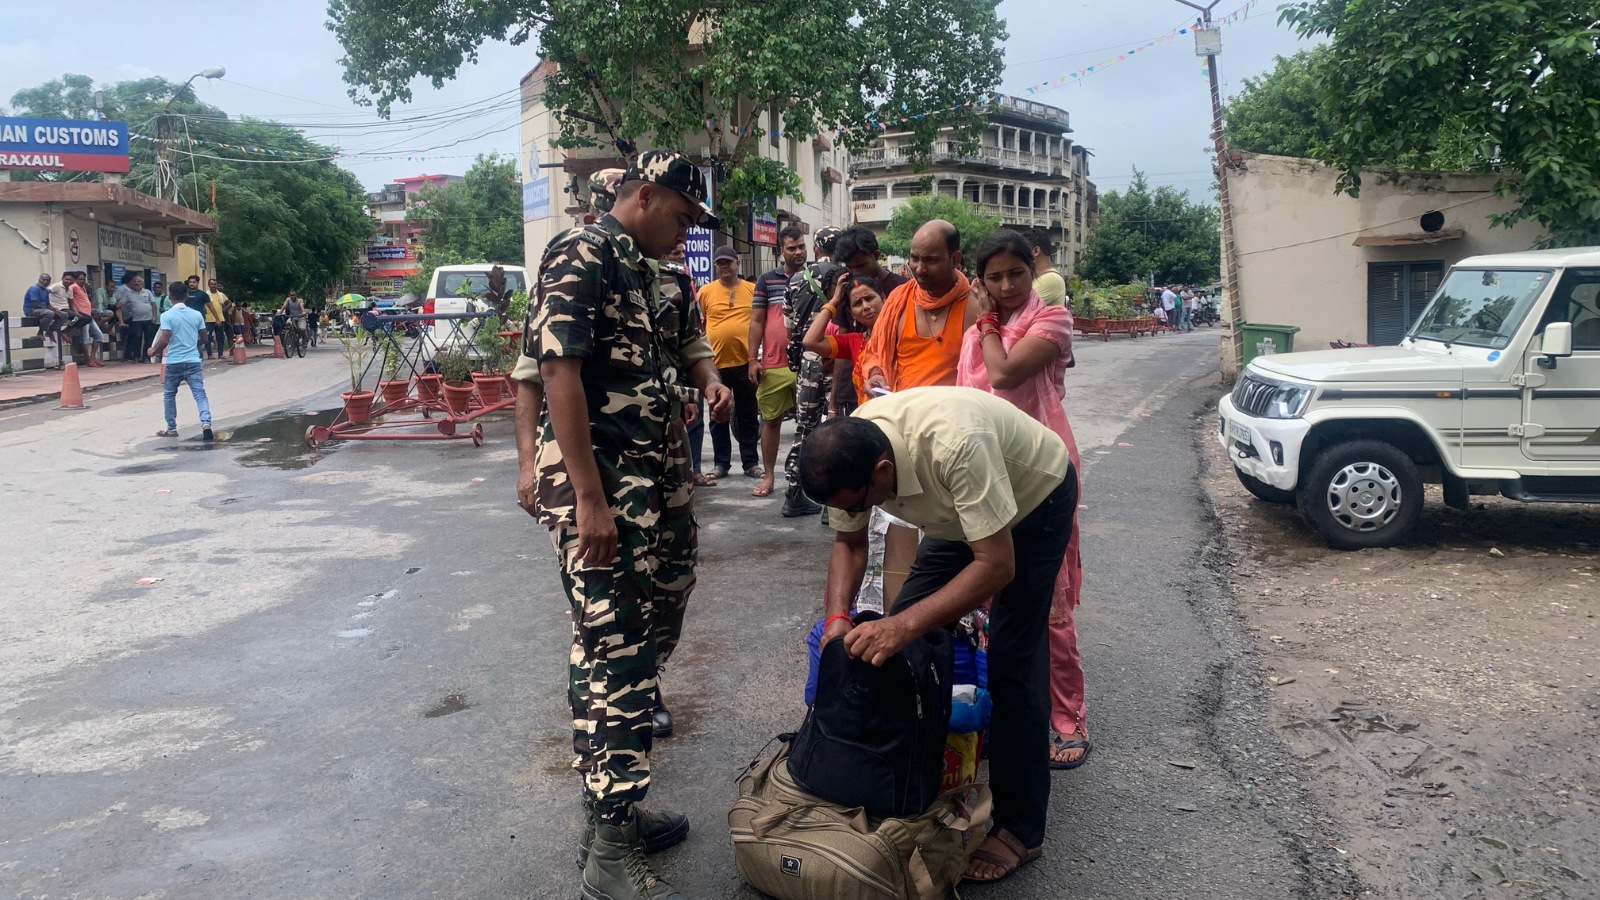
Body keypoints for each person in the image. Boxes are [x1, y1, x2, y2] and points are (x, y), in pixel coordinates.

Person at [518, 149, 730, 900]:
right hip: (605, 490)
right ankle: (611, 844)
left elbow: (679, 352)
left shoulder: (647, 269)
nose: (686, 232)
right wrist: (588, 499)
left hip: (657, 484)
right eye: (682, 215)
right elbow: (555, 372)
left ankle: (611, 807)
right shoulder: (581, 253)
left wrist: (705, 383)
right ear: (646, 195)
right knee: (619, 653)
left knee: (639, 641)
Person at [799, 388, 1077, 885]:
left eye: (860, 503)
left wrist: (902, 624)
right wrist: (838, 615)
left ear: (884, 470)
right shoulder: (845, 453)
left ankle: (1020, 828)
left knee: (1013, 661)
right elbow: (849, 542)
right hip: (957, 517)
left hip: (1035, 500)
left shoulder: (954, 444)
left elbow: (997, 566)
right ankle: (906, 778)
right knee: (899, 656)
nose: (856, 512)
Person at [960, 230, 1090, 770]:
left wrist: (987, 322)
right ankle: (1009, 710)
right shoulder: (977, 328)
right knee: (991, 598)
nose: (1008, 285)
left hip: (1041, 469)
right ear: (981, 280)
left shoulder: (1052, 319)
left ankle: (1068, 716)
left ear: (1032, 271)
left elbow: (1005, 373)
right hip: (989, 466)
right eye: (994, 277)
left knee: (1048, 602)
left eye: (1016, 273)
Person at [860, 220, 975, 394]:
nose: (920, 269)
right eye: (914, 258)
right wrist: (876, 374)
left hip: (954, 408)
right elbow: (875, 351)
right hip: (902, 406)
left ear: (955, 259)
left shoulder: (975, 305)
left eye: (931, 260)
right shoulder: (899, 299)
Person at [778, 225, 844, 517]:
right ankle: (834, 504)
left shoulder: (795, 280)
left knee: (805, 427)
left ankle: (794, 493)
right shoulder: (845, 276)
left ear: (815, 248)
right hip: (836, 357)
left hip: (807, 362)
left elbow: (788, 327)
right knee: (838, 427)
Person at [746, 226, 808, 498]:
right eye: (792, 248)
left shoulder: (814, 277)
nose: (798, 252)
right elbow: (757, 321)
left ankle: (809, 480)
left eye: (801, 246)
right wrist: (752, 359)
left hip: (809, 363)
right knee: (771, 421)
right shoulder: (767, 280)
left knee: (810, 424)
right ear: (781, 250)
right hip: (774, 363)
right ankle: (769, 475)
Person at [696, 245, 761, 480]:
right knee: (718, 415)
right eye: (720, 263)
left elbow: (759, 322)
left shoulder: (752, 290)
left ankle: (750, 463)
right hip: (715, 367)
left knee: (748, 415)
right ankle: (721, 463)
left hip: (746, 363)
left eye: (728, 262)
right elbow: (698, 325)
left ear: (737, 264)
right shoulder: (705, 292)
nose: (724, 266)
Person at [802, 272, 886, 411]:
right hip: (869, 415)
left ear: (883, 298)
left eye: (869, 298)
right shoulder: (854, 342)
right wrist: (834, 301)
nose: (865, 306)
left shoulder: (903, 333)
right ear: (852, 314)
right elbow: (810, 341)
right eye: (858, 303)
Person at [148, 281, 213, 441]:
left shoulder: (167, 316)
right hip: (193, 361)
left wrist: (153, 350)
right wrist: (193, 345)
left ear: (170, 297)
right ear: (186, 296)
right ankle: (206, 423)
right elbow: (205, 338)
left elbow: (165, 338)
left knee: (169, 395)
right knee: (199, 394)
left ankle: (171, 428)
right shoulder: (196, 315)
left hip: (174, 362)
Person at [65, 271, 106, 367]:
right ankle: (88, 359)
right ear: (75, 279)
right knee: (84, 339)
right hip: (82, 315)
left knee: (98, 335)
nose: (82, 281)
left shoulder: (83, 287)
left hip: (88, 316)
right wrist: (75, 312)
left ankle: (93, 356)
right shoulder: (73, 286)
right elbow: (70, 299)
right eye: (80, 279)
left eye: (83, 279)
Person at [115, 272, 157, 363]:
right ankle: (136, 356)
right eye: (134, 281)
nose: (136, 283)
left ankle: (146, 357)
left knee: (148, 338)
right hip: (136, 320)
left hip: (148, 319)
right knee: (137, 338)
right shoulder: (128, 293)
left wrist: (154, 316)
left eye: (138, 281)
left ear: (142, 283)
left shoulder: (147, 292)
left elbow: (153, 304)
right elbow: (120, 304)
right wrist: (117, 307)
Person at [24, 274, 66, 363]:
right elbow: (35, 304)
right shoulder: (34, 289)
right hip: (31, 310)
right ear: (39, 279)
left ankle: (51, 330)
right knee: (49, 313)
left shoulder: (46, 291)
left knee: (64, 315)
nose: (46, 282)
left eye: (48, 280)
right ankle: (40, 332)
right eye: (44, 279)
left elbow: (47, 304)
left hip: (43, 310)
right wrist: (50, 310)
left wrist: (55, 310)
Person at [1023, 228, 1069, 308]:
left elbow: (1019, 309)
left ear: (1036, 251)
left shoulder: (1051, 279)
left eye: (1022, 252)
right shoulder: (1038, 278)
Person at [199, 284, 227, 359]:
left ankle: (220, 354)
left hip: (220, 319)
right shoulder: (205, 295)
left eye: (215, 284)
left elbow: (229, 303)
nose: (213, 286)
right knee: (207, 337)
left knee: (220, 337)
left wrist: (224, 309)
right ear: (209, 285)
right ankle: (209, 354)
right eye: (211, 284)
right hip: (209, 319)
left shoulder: (220, 295)